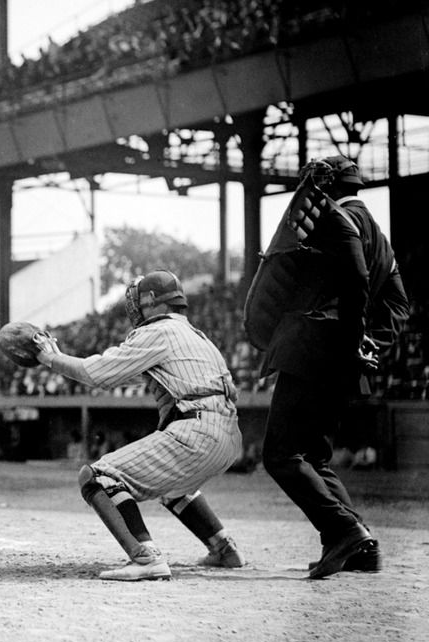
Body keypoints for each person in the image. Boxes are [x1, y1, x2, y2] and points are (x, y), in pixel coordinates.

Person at [251, 156, 409, 579]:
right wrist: (369, 342)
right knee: (314, 456)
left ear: (328, 186)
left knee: (280, 454)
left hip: (311, 348)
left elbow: (356, 278)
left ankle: (343, 529)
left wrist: (352, 337)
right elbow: (398, 305)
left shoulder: (333, 218)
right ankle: (360, 547)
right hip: (339, 361)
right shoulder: (381, 238)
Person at [34, 270, 245, 581]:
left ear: (150, 301)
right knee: (174, 487)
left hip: (197, 430)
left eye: (138, 300)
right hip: (229, 437)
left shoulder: (157, 331)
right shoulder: (198, 337)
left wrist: (52, 358)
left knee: (97, 477)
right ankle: (224, 548)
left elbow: (98, 374)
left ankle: (145, 557)